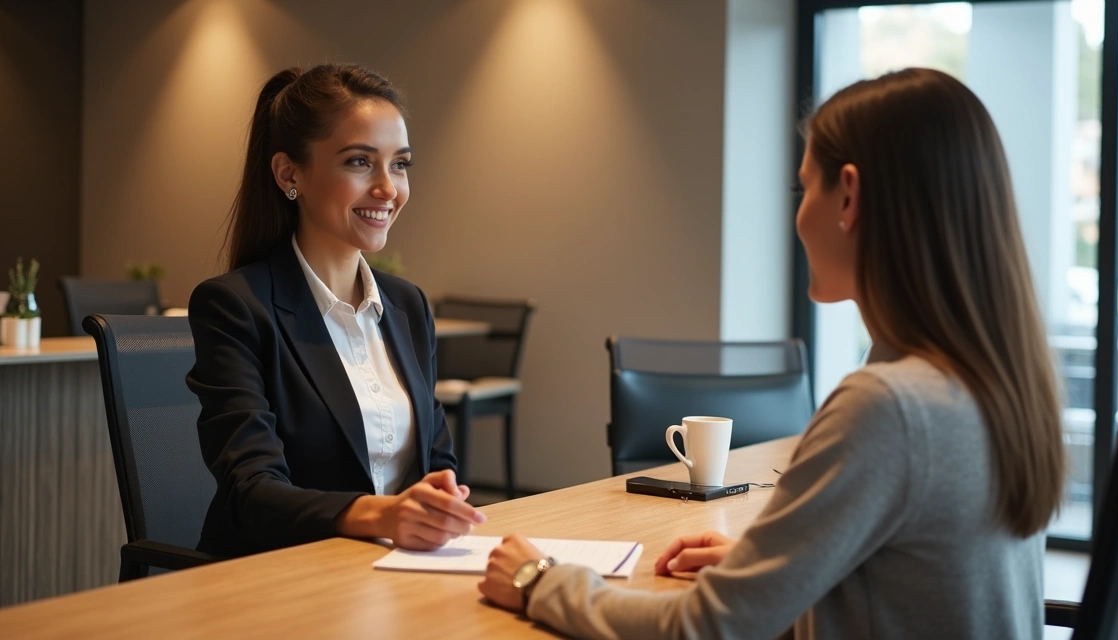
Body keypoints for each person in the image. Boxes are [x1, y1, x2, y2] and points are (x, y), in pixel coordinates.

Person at [478, 67, 1066, 639]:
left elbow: (705, 628)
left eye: (804, 186)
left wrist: (539, 581)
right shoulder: (996, 387)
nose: (798, 214)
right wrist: (781, 567)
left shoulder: (888, 406)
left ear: (849, 197)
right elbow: (923, 576)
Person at [186, 64, 485, 559]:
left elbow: (437, 463)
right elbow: (252, 492)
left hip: (394, 570)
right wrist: (383, 515)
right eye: (360, 162)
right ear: (289, 173)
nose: (389, 188)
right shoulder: (236, 306)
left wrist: (441, 506)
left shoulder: (408, 306)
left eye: (400, 164)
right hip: (278, 579)